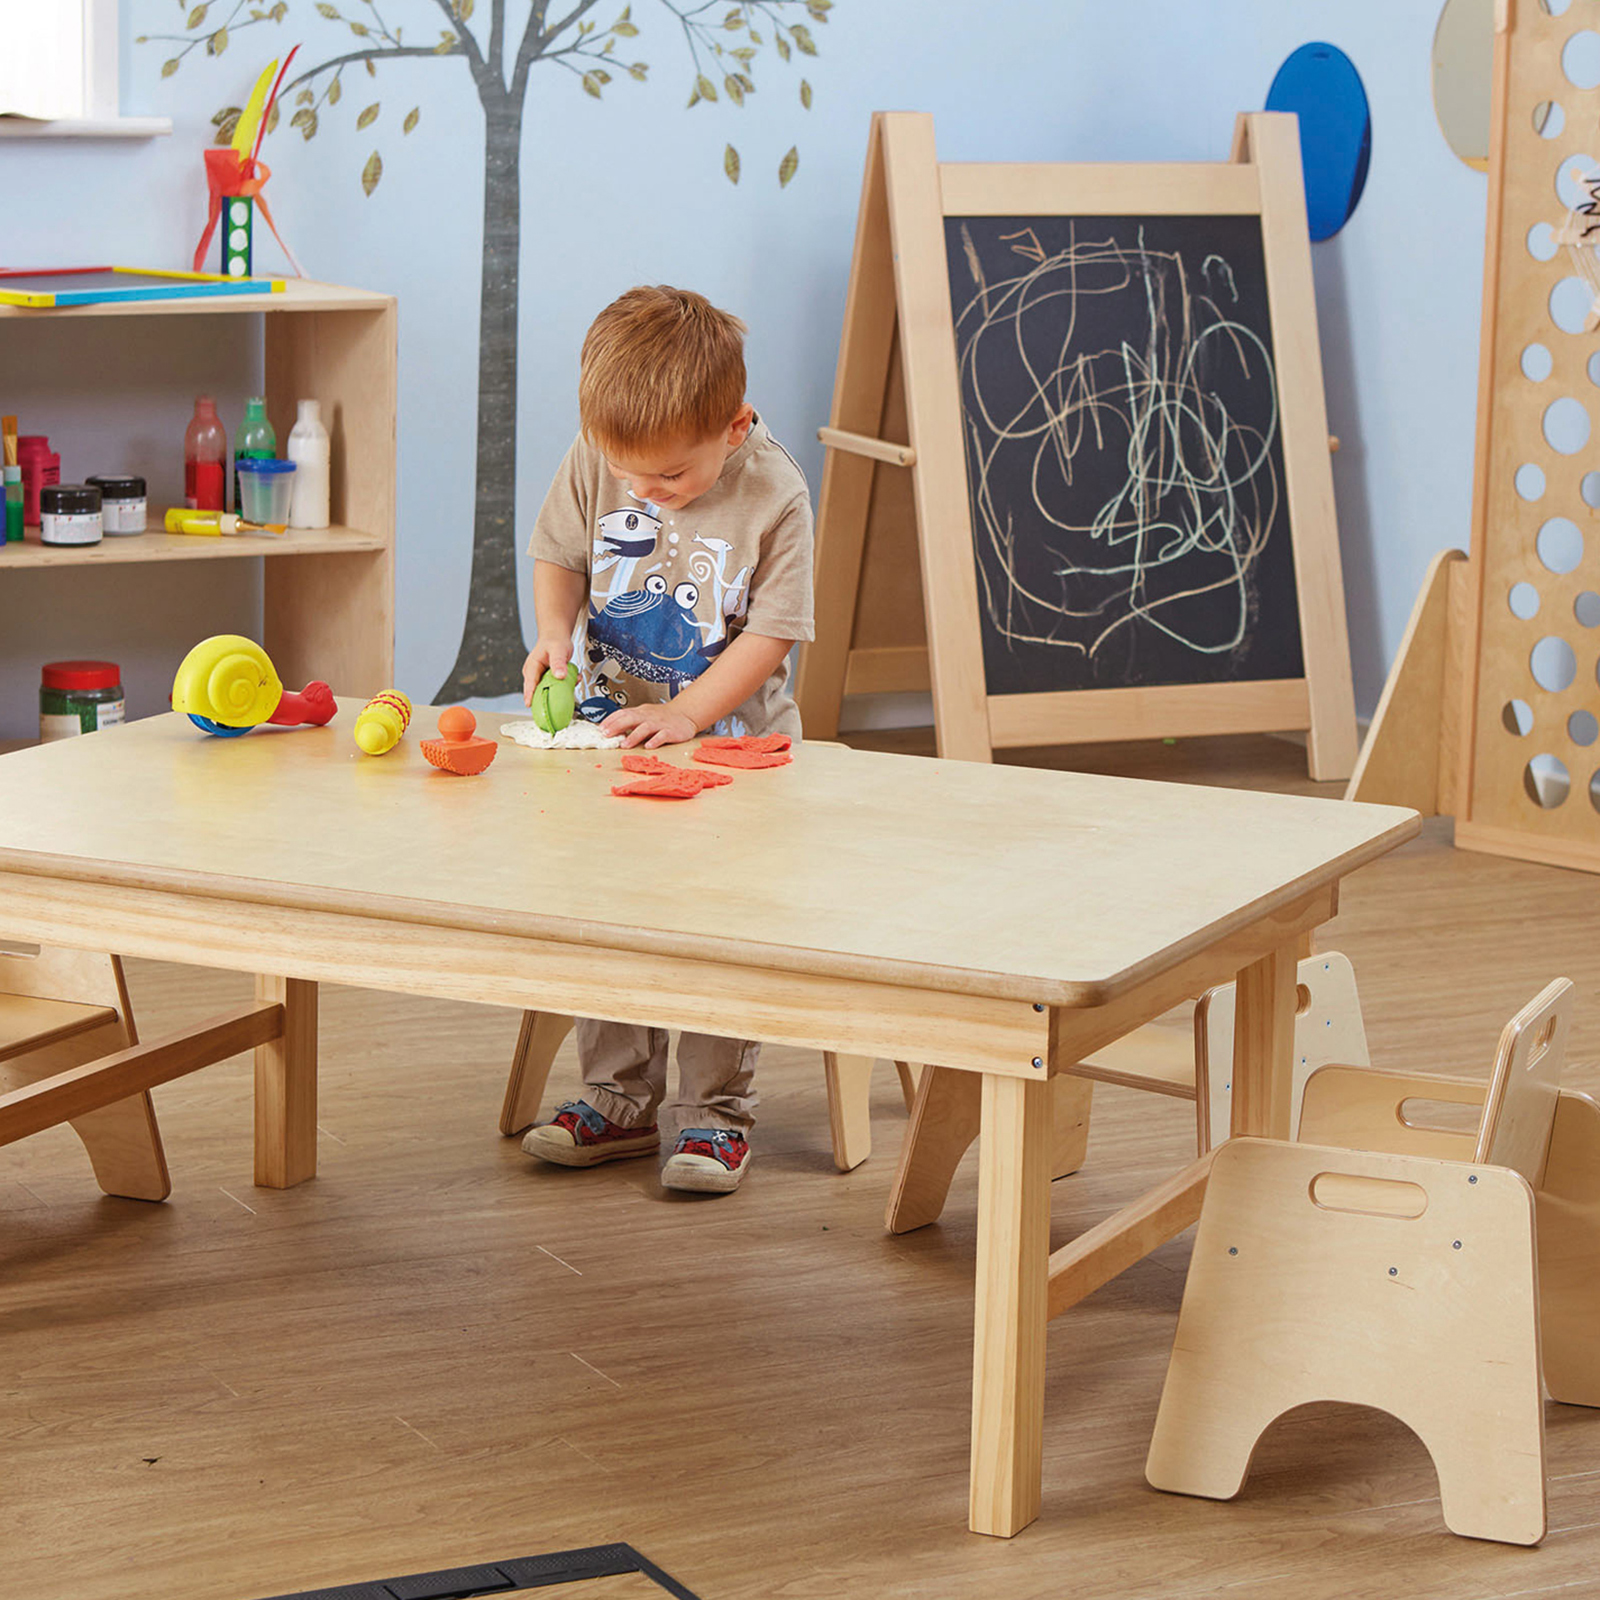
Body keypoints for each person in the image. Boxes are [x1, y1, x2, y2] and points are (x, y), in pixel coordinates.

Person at [518, 284, 814, 1194]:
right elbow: (560, 555)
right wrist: (555, 635)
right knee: (604, 912)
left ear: (735, 426)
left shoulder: (776, 492)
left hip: (732, 756)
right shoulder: (600, 455)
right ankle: (616, 1097)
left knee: (719, 926)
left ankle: (715, 1113)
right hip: (614, 739)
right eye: (630, 476)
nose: (646, 493)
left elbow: (772, 635)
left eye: (671, 479)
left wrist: (688, 714)